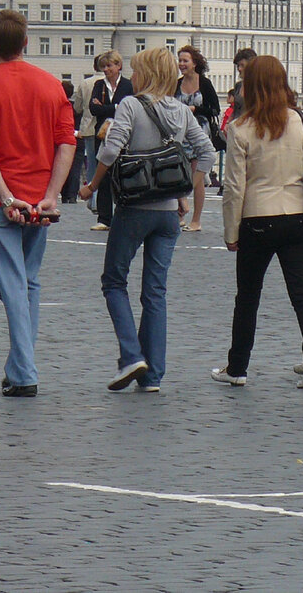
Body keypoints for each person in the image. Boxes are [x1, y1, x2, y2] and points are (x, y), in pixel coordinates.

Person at [80, 47, 213, 393]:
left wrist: (92, 185)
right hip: (169, 214)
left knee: (114, 281)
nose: (132, 77)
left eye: (136, 71)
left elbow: (111, 149)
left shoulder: (131, 105)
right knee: (155, 292)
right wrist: (186, 188)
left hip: (135, 208)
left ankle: (130, 355)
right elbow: (207, 152)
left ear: (147, 74)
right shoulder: (182, 111)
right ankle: (152, 374)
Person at [0, 9, 75, 398]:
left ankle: (25, 371)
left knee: (11, 283)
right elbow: (67, 142)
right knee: (27, 281)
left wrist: (5, 195)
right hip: (40, 198)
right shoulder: (51, 86)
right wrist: (50, 196)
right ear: (26, 42)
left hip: (1, 200)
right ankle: (18, 364)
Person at [211, 55, 303, 390]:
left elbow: (235, 186)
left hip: (258, 218)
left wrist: (231, 231)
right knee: (301, 292)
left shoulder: (240, 128)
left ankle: (238, 367)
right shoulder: (301, 121)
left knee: (248, 296)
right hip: (300, 215)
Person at [174, 44, 220, 233]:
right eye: (180, 61)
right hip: (179, 132)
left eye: (185, 61)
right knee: (176, 172)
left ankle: (196, 219)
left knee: (197, 175)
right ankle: (180, 212)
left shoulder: (205, 83)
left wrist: (196, 109)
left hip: (200, 131)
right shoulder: (176, 84)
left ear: (194, 63)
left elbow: (215, 109)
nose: (182, 64)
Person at [88, 51, 133, 231]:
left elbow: (128, 107)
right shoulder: (99, 85)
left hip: (123, 134)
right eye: (104, 66)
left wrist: (107, 107)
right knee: (103, 174)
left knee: (123, 174)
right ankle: (104, 217)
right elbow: (93, 108)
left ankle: (124, 215)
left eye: (109, 66)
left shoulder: (128, 85)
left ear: (118, 66)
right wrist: (115, 107)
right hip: (103, 134)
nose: (106, 69)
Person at [71, 56, 104, 211]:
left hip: (89, 128)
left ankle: (94, 200)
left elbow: (77, 107)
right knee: (105, 164)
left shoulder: (85, 83)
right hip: (106, 129)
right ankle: (102, 199)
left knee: (91, 164)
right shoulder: (111, 83)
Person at [230, 48, 257, 121]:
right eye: (238, 66)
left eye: (242, 65)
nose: (239, 69)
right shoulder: (238, 85)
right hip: (237, 126)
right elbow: (236, 109)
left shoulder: (258, 86)